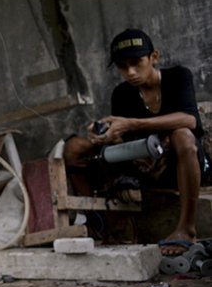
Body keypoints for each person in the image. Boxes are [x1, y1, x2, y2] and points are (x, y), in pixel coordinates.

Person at [63, 28, 209, 256]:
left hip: (180, 164)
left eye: (136, 63)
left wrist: (131, 123)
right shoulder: (122, 93)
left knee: (182, 135)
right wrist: (108, 135)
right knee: (74, 147)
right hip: (141, 167)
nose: (130, 72)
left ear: (154, 57)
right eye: (122, 66)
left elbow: (189, 119)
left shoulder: (178, 76)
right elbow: (125, 139)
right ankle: (103, 224)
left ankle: (186, 228)